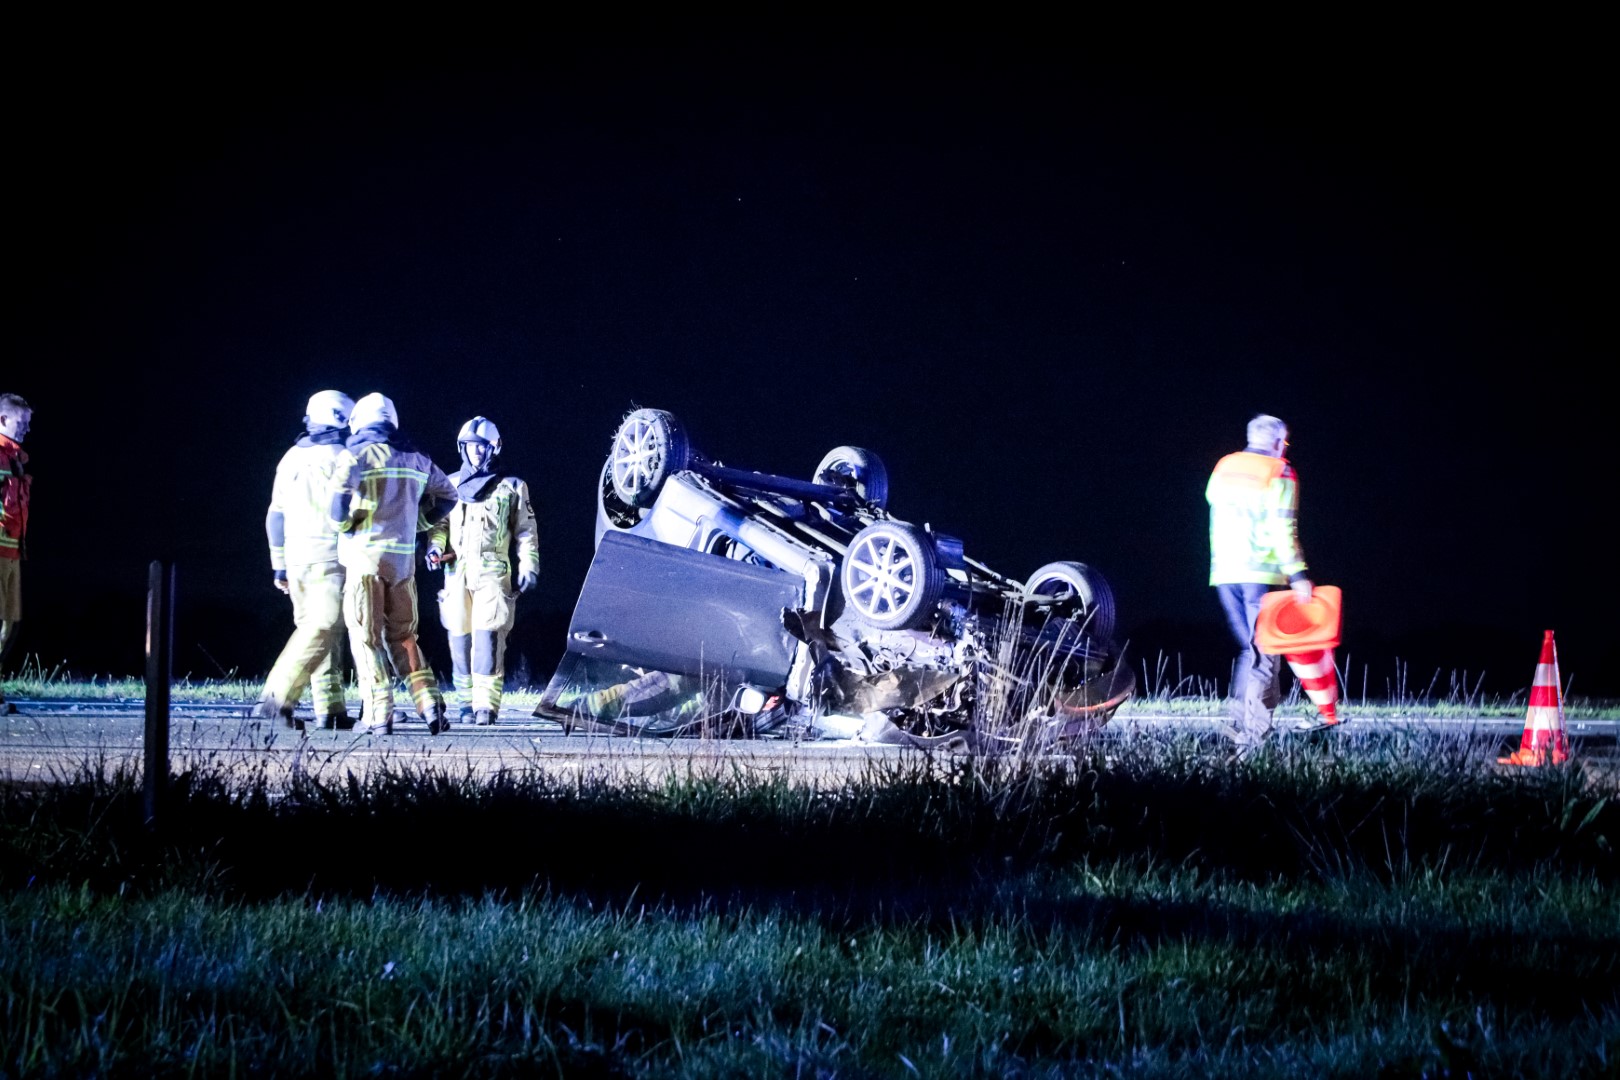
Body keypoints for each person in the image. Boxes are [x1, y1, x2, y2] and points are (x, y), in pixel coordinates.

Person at [329, 393, 457, 734]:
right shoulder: (418, 458)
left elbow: (336, 509)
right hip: (403, 565)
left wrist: (346, 527)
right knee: (404, 638)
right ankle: (429, 704)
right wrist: (418, 524)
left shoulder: (354, 454)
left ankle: (378, 714)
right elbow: (448, 497)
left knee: (366, 638)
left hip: (365, 562)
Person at [251, 391, 357, 731]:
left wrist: (278, 562)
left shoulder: (291, 457)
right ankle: (276, 700)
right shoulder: (344, 457)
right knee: (321, 629)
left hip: (296, 561)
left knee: (323, 632)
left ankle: (331, 710)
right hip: (330, 557)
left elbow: (275, 514)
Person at [1206, 413, 1313, 747]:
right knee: (1265, 654)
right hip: (1261, 574)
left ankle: (1238, 722)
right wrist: (1298, 575)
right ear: (1279, 442)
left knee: (1251, 651)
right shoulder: (1280, 471)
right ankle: (1254, 738)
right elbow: (1283, 528)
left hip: (1224, 573)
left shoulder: (1224, 466)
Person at [425, 416, 539, 725]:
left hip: (492, 573)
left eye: (482, 448)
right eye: (470, 448)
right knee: (460, 640)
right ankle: (465, 704)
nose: (475, 453)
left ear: (494, 448)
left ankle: (485, 707)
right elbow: (440, 524)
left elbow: (525, 531)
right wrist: (435, 547)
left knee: (488, 639)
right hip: (456, 573)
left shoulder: (513, 486)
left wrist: (529, 565)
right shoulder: (449, 484)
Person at [0, 394, 33, 715]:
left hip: (11, 552)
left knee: (9, 623)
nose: (25, 429)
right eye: (20, 423)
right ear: (2, 420)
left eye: (27, 424)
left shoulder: (16, 459)